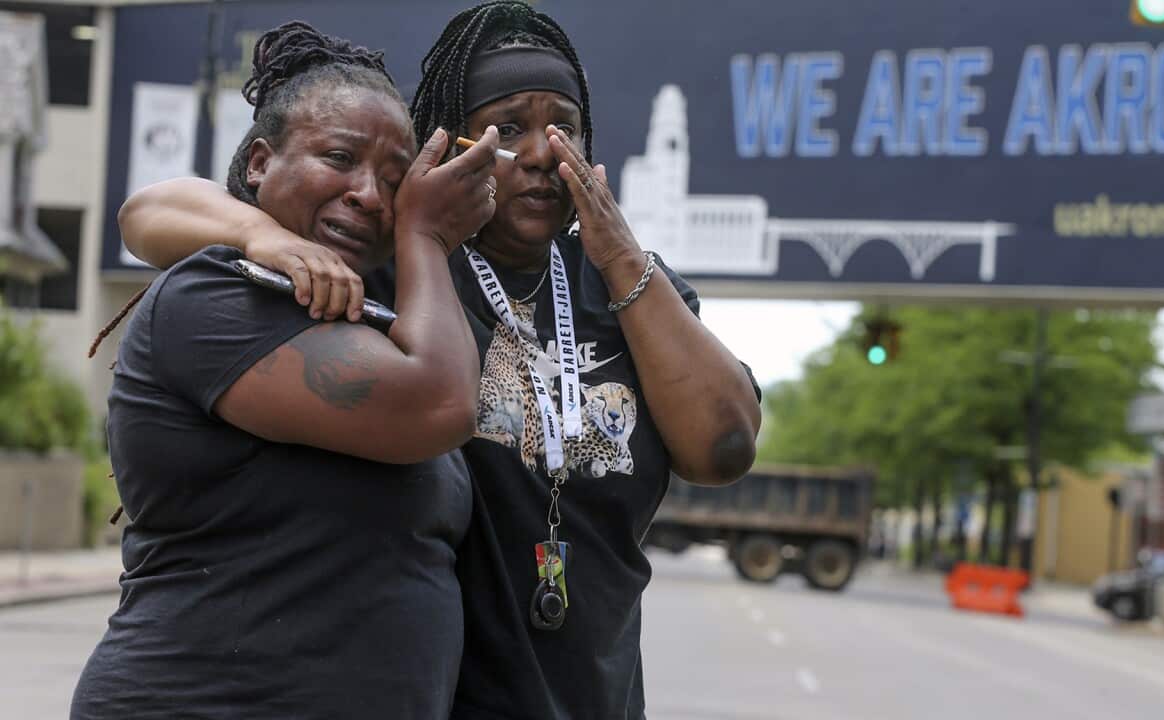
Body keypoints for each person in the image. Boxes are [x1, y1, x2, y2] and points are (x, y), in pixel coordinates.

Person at [119, 3, 762, 717]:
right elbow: (151, 211)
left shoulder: (631, 287)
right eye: (510, 127)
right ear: (450, 144)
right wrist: (259, 234)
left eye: (565, 127)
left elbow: (723, 447)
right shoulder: (396, 258)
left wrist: (618, 256)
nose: (545, 152)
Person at [72, 22, 500, 719]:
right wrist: (268, 232)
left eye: (396, 183)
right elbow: (440, 406)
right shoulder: (216, 293)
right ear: (261, 162)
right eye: (339, 156)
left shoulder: (378, 310)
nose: (369, 194)